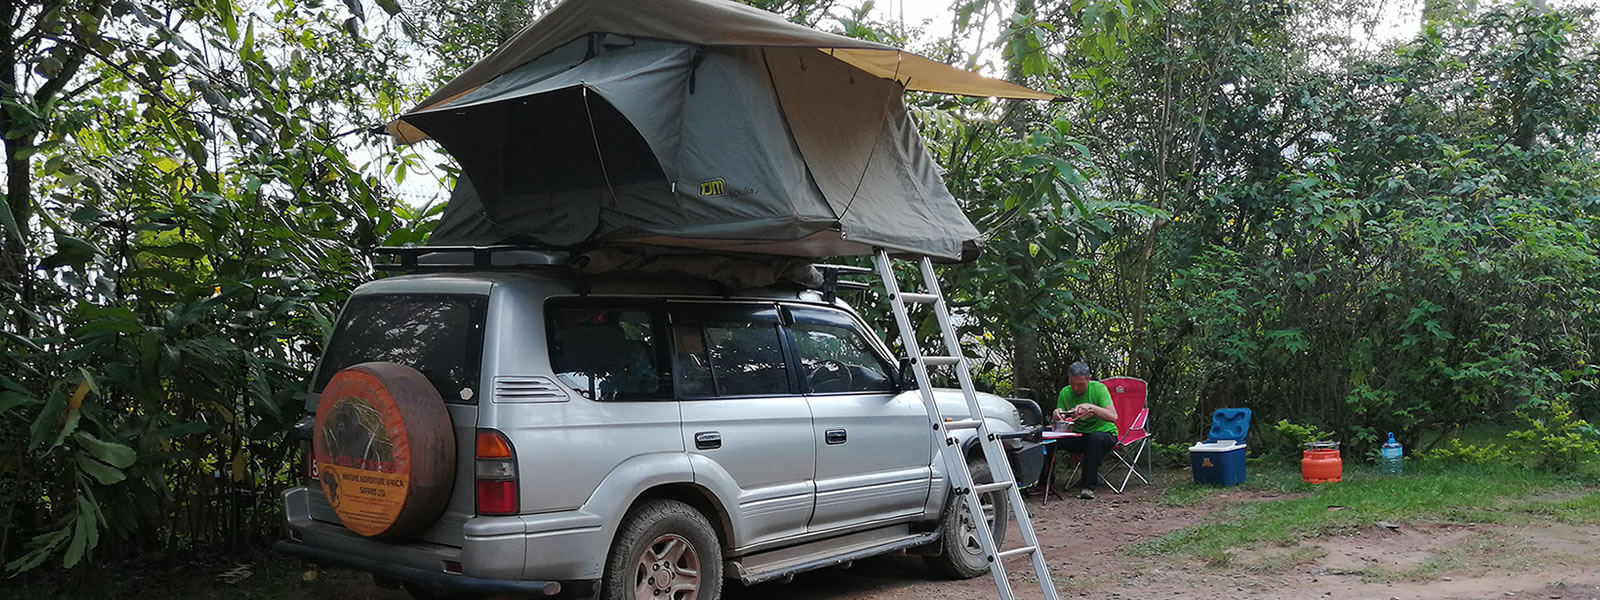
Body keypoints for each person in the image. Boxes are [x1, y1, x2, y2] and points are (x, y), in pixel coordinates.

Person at [1050, 361, 1118, 500]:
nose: (1075, 388)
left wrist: (1091, 407)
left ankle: (1088, 487)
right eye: (1072, 383)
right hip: (1079, 434)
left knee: (1094, 439)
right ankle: (1045, 483)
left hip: (1104, 434)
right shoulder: (1065, 392)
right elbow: (1062, 422)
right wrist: (1057, 415)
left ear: (1089, 379)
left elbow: (1113, 416)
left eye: (1080, 384)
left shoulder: (1099, 389)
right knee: (1048, 439)